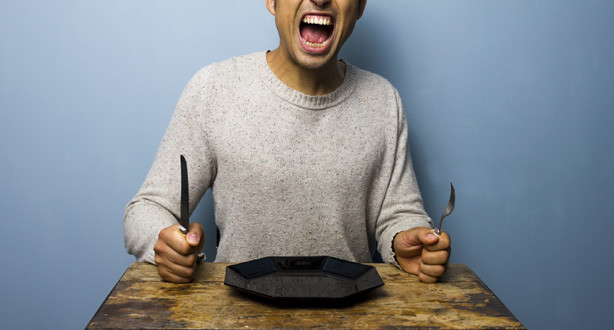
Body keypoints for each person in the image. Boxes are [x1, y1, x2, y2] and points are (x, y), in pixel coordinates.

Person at [124, 0, 451, 284]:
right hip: (237, 319)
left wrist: (407, 242)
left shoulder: (383, 101)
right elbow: (147, 210)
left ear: (360, 6)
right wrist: (164, 245)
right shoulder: (214, 89)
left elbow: (398, 213)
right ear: (272, 1)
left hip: (349, 317)